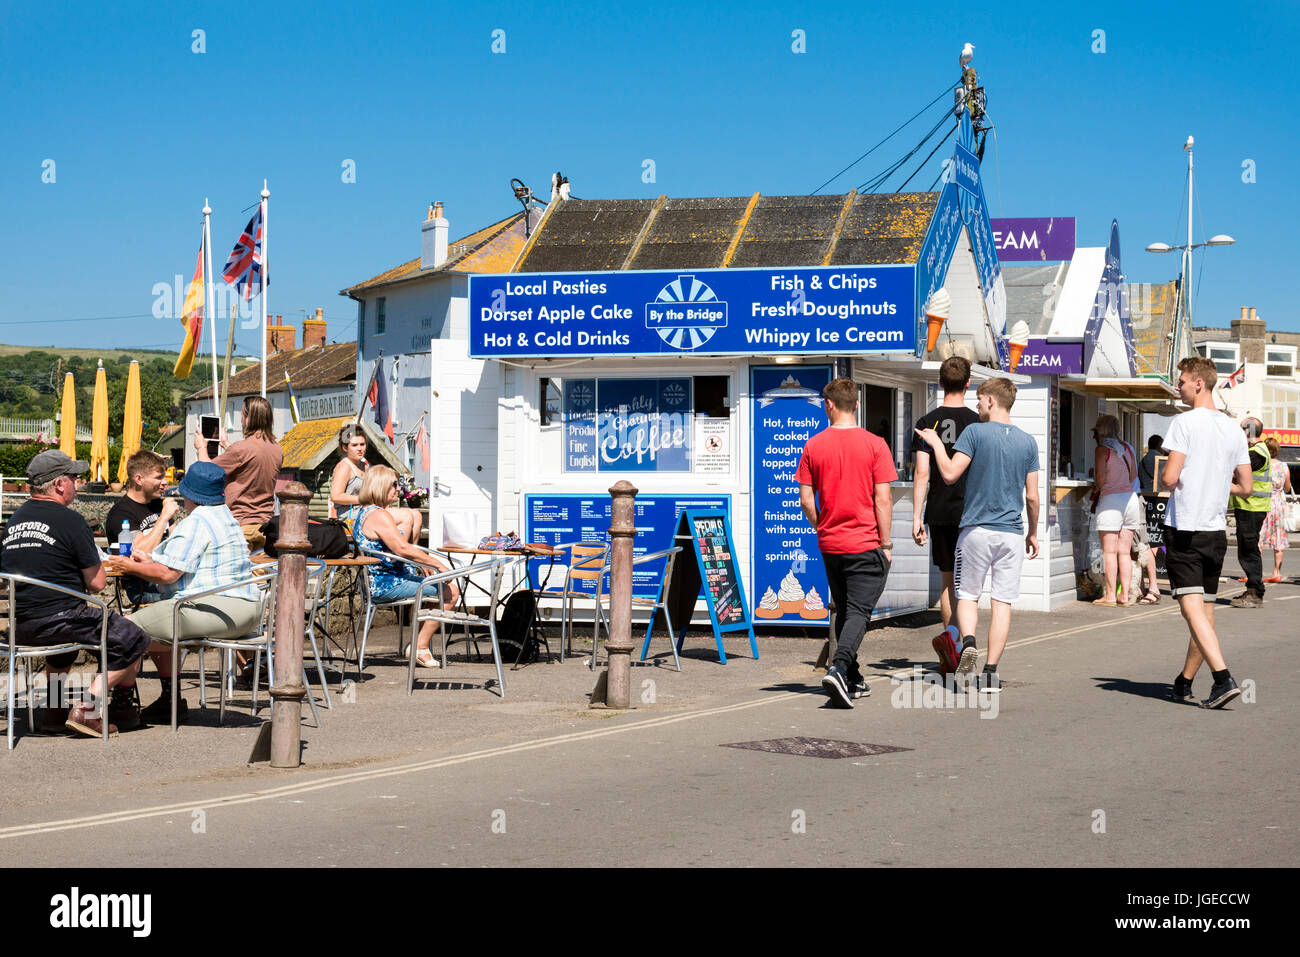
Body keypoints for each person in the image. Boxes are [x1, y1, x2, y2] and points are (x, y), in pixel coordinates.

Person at [0, 450, 150, 736]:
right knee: (134, 637)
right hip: (60, 620)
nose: (78, 482)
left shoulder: (14, 522)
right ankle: (88, 708)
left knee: (65, 644)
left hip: (19, 626)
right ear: (58, 485)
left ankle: (55, 712)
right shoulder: (70, 521)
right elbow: (96, 583)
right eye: (73, 477)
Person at [915, 377, 1040, 692]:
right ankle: (991, 673)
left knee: (968, 594)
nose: (977, 404)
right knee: (1002, 603)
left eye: (980, 399)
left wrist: (935, 444)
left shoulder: (974, 433)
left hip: (976, 530)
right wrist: (1034, 532)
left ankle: (968, 641)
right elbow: (1033, 497)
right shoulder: (1028, 441)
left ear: (992, 401)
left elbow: (948, 472)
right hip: (1011, 533)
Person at [124, 462, 261, 723]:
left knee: (122, 629)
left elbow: (168, 574)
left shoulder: (197, 521)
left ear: (189, 495)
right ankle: (169, 699)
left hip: (218, 610)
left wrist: (129, 565)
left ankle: (108, 704)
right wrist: (151, 558)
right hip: (249, 610)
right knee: (158, 628)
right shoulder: (226, 516)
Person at [796, 377, 896, 708]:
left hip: (830, 545)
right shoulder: (876, 444)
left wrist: (821, 526)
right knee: (858, 612)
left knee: (845, 609)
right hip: (865, 543)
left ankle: (853, 676)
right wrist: (887, 544)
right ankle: (838, 668)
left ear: (829, 405)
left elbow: (806, 500)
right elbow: (883, 499)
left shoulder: (813, 446)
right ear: (856, 404)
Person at [1160, 356, 1252, 708]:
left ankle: (1222, 677)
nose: (1179, 387)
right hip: (1215, 529)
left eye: (1181, 381)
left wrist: (1178, 475)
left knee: (1192, 611)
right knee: (1205, 612)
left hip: (1185, 526)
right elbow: (1244, 486)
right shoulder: (1234, 428)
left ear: (1199, 383)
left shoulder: (1184, 423)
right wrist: (1215, 482)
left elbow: (1169, 477)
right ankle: (1184, 682)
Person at [354, 465, 459, 669]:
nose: (398, 488)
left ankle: (418, 642)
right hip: (386, 584)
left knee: (437, 587)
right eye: (394, 484)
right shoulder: (379, 516)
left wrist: (423, 563)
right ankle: (419, 647)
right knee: (450, 592)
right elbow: (402, 548)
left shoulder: (369, 513)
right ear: (381, 486)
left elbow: (404, 539)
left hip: (382, 580)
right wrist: (437, 564)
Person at [910, 356, 980, 629]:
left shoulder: (927, 422)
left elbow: (922, 473)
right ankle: (967, 641)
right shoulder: (978, 423)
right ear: (968, 384)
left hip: (940, 510)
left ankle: (951, 646)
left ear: (940, 383)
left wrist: (917, 517)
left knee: (947, 579)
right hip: (973, 510)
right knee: (969, 583)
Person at [195, 395, 282, 550]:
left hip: (239, 525)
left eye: (242, 414)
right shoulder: (277, 449)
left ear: (249, 419)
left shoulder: (240, 449)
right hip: (265, 525)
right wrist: (227, 444)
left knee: (237, 574)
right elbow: (252, 462)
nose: (241, 419)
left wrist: (201, 447)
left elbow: (205, 472)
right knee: (258, 573)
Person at [105, 450, 177, 608]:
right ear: (139, 479)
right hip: (144, 587)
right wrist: (164, 518)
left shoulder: (158, 504)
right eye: (159, 477)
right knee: (193, 596)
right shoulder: (121, 513)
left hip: (169, 577)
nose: (165, 482)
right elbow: (139, 551)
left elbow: (177, 542)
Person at [329, 423, 422, 543]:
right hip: (352, 517)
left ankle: (410, 555)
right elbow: (336, 496)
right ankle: (399, 554)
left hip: (369, 510)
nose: (359, 448)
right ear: (345, 448)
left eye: (362, 444)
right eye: (354, 445)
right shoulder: (344, 466)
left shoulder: (365, 465)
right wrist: (363, 499)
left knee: (416, 515)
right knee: (405, 516)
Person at [1089, 414, 1142, 606]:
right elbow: (1133, 474)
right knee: (1125, 552)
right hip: (1130, 500)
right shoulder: (1126, 447)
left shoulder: (1102, 450)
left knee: (1109, 552)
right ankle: (1125, 596)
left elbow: (1101, 480)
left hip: (1111, 501)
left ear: (1101, 431)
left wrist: (1096, 485)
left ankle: (1110, 595)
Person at [1228, 416, 1272, 607]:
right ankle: (1254, 589)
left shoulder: (1256, 453)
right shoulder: (1254, 451)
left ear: (1248, 431)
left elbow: (1235, 472)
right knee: (1247, 549)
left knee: (1249, 551)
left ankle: (1255, 592)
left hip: (1252, 507)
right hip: (1249, 507)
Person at [1260, 435, 1291, 583]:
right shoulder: (1283, 466)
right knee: (1278, 538)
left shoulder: (1261, 465)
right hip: (1278, 505)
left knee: (1258, 538)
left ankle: (1256, 572)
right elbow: (1287, 487)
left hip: (1262, 503)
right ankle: (1276, 572)